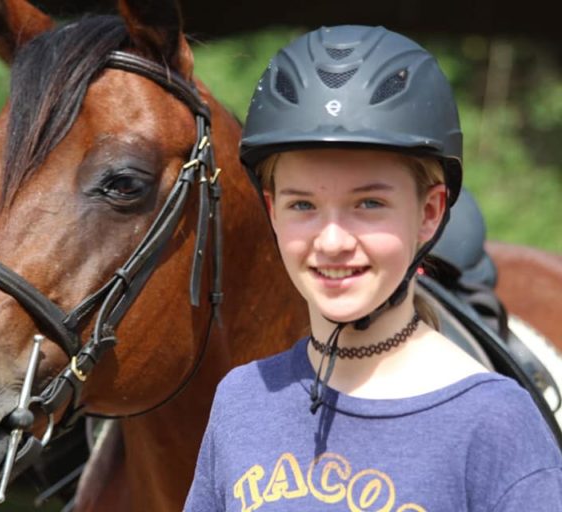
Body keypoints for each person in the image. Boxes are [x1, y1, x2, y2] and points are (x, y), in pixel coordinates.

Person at [184, 25, 562, 511]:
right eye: (303, 205)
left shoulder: (493, 421)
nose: (333, 241)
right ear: (272, 210)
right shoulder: (241, 400)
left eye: (368, 203)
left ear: (429, 213)